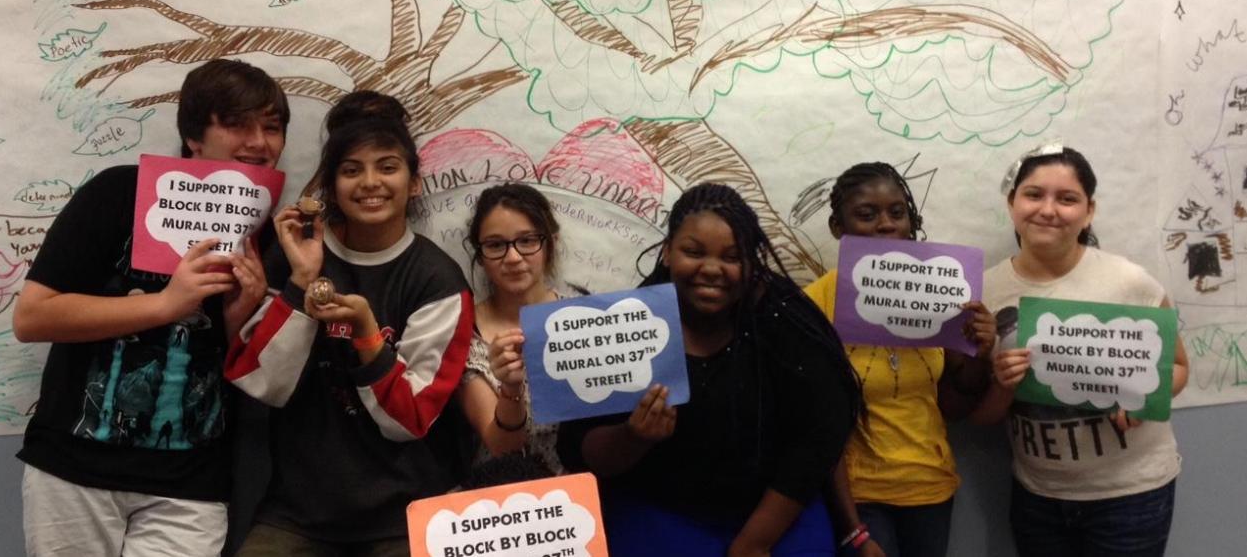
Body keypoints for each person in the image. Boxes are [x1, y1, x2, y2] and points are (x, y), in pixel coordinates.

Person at [13, 58, 290, 557]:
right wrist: (165, 304)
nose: (258, 142)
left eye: (272, 128)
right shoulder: (119, 193)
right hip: (74, 467)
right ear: (193, 137)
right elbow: (33, 317)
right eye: (236, 124)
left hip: (191, 484)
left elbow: (247, 371)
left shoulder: (269, 230)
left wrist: (237, 316)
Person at [225, 92, 472, 556]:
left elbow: (409, 421)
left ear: (414, 182)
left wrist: (367, 334)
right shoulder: (295, 255)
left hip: (404, 515)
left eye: (387, 166)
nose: (370, 183)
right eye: (352, 169)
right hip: (296, 513)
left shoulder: (438, 281)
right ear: (333, 185)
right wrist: (301, 281)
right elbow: (262, 384)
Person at [559, 182, 861, 557]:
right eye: (693, 252)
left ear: (751, 261)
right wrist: (633, 437)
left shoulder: (785, 318)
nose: (712, 269)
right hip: (661, 508)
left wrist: (754, 543)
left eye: (732, 257)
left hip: (777, 508)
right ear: (668, 252)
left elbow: (821, 434)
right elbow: (579, 450)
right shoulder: (622, 324)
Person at [973, 143, 1188, 557]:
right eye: (1033, 194)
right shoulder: (986, 291)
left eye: (1067, 199)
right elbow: (981, 415)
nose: (1048, 209)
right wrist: (1002, 384)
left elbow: (1179, 367)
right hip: (1037, 494)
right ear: (1012, 202)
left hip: (1131, 493)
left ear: (1089, 210)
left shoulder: (1130, 282)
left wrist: (1144, 401)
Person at [802, 162, 995, 557]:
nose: (886, 224)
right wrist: (853, 529)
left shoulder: (942, 291)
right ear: (839, 228)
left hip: (930, 487)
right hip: (857, 496)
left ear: (911, 221)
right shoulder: (815, 305)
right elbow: (814, 425)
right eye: (867, 214)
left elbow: (954, 405)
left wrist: (980, 353)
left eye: (897, 212)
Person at [456, 182, 580, 482]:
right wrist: (510, 389)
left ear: (550, 243)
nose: (512, 258)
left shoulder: (582, 317)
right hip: (498, 500)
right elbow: (501, 447)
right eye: (496, 245)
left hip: (576, 492)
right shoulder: (463, 331)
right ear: (481, 255)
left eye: (527, 241)